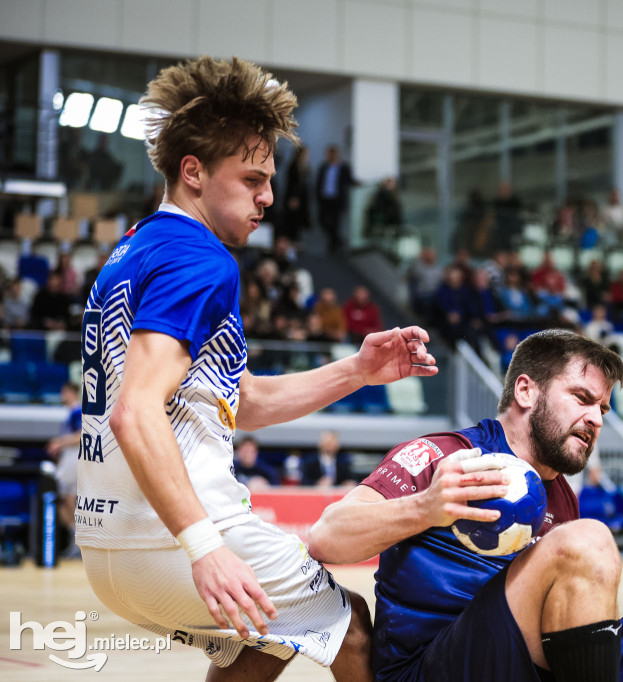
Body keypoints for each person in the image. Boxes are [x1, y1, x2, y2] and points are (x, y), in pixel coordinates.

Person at [75, 56, 439, 681]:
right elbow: (135, 411)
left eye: (269, 178)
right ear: (193, 172)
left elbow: (240, 403)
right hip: (170, 536)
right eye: (251, 179)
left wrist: (356, 370)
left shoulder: (137, 247)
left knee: (263, 640)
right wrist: (205, 546)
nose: (269, 196)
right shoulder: (201, 259)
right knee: (348, 623)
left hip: (107, 542)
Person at [309, 330, 623, 682]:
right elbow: (328, 536)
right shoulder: (448, 454)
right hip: (435, 669)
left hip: (531, 666)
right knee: (588, 542)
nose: (595, 418)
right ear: (526, 390)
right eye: (582, 397)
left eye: (603, 408)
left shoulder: (561, 497)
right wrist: (426, 506)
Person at [47, 381, 83, 557]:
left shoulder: (77, 411)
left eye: (64, 392)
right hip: (68, 459)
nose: (62, 395)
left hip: (74, 458)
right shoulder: (69, 413)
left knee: (69, 497)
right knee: (63, 498)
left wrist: (59, 442)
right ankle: (74, 535)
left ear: (72, 393)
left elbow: (81, 435)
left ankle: (77, 538)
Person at [316, 144, 358, 252]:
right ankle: (337, 240)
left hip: (337, 200)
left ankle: (333, 246)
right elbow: (318, 183)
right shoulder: (323, 167)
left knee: (335, 223)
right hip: (325, 199)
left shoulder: (343, 168)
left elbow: (349, 181)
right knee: (322, 221)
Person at [282, 144, 311, 242]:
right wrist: (293, 197)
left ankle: (296, 241)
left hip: (302, 198)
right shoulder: (293, 167)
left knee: (298, 221)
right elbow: (291, 184)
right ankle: (291, 242)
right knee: (292, 221)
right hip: (294, 197)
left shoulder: (305, 167)